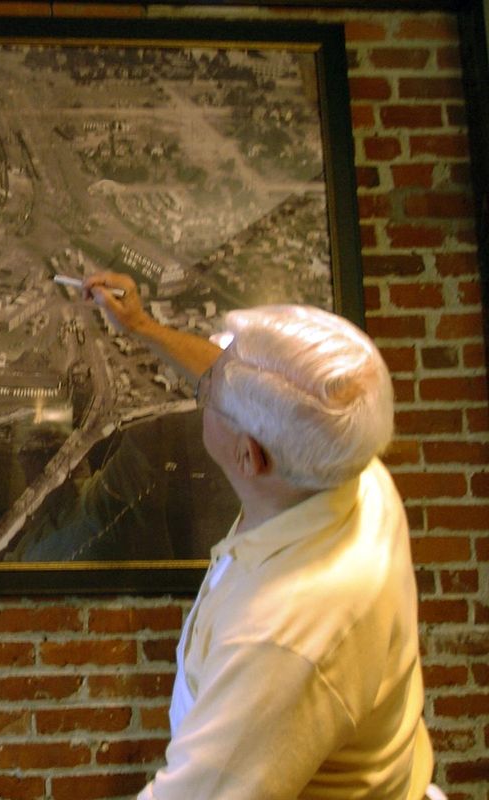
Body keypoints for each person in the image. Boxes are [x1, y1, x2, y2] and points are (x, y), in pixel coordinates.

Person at [83, 271, 434, 799]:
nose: (204, 385)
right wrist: (143, 328)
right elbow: (258, 388)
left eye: (213, 394)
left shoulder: (280, 637)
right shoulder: (348, 464)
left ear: (249, 456)